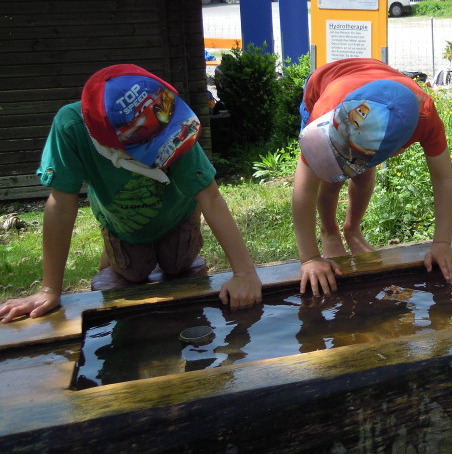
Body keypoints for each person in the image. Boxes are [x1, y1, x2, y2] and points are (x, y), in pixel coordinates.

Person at [0, 65, 262, 323]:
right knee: (133, 272)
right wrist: (49, 289)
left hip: (177, 213)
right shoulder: (71, 128)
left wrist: (245, 274)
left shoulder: (172, 126)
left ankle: (140, 249)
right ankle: (114, 247)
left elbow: (210, 197)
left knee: (178, 264)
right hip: (123, 222)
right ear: (107, 146)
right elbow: (60, 205)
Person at [293, 58, 452, 295]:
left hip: (368, 90)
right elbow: (304, 188)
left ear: (398, 150)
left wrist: (442, 244)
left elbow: (444, 179)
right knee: (330, 176)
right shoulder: (327, 108)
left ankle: (352, 229)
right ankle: (329, 231)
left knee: (361, 175)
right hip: (326, 87)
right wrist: (310, 258)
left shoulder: (425, 117)